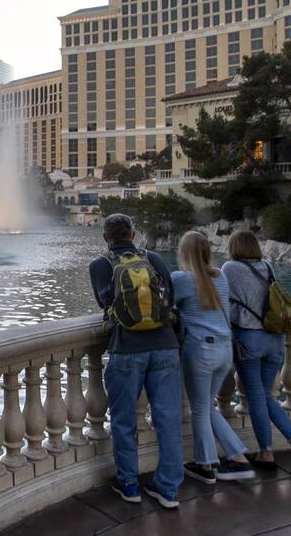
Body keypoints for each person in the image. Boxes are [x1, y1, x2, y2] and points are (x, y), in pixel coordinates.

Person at [88, 213, 183, 508]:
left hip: (126, 350)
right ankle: (168, 488)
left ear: (106, 238)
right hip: (165, 346)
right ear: (132, 233)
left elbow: (105, 302)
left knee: (123, 420)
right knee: (168, 419)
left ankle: (129, 484)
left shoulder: (100, 265)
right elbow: (170, 296)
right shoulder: (152, 258)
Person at [222, 230, 291, 476]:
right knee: (266, 395)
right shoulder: (267, 267)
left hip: (249, 340)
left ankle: (266, 452)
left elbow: (221, 301)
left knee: (255, 396)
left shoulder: (230, 268)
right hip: (274, 339)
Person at [173, 231, 254, 484]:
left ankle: (206, 464)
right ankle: (239, 457)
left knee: (199, 408)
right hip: (224, 351)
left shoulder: (182, 279)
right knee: (207, 406)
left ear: (183, 253)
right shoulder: (220, 277)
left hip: (201, 350)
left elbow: (163, 305)